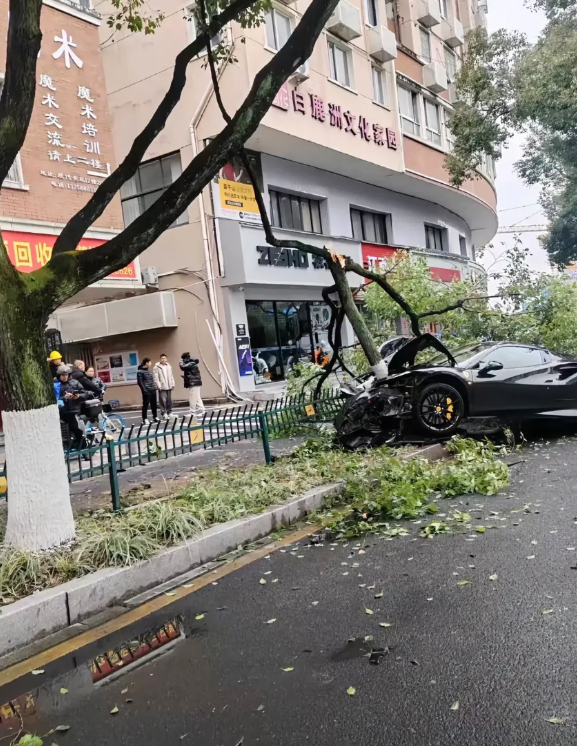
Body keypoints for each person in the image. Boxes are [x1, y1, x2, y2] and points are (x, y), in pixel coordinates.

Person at [56, 365, 90, 450]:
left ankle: (83, 444)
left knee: (75, 428)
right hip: (61, 411)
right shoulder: (56, 385)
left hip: (73, 410)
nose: (64, 377)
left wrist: (77, 396)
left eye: (66, 375)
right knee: (63, 430)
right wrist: (64, 398)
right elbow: (54, 398)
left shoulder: (75, 382)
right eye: (62, 375)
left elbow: (85, 394)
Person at [180, 352, 205, 416]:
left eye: (183, 359)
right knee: (197, 397)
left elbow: (183, 367)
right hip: (195, 382)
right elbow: (191, 373)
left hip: (193, 383)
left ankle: (192, 412)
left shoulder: (191, 363)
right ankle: (202, 410)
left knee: (192, 398)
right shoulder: (192, 363)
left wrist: (180, 362)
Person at [153, 354, 175, 419]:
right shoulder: (156, 367)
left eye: (165, 358)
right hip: (162, 386)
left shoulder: (168, 366)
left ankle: (169, 412)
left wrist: (173, 384)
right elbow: (155, 378)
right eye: (162, 358)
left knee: (169, 400)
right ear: (160, 359)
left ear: (166, 359)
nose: (163, 359)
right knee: (162, 400)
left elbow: (171, 376)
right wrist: (159, 385)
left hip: (169, 385)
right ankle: (164, 412)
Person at [137, 357, 158, 425]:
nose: (151, 363)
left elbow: (152, 380)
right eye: (150, 362)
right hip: (146, 390)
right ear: (146, 363)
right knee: (145, 405)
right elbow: (140, 382)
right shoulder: (139, 372)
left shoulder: (149, 371)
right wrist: (144, 390)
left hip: (152, 389)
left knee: (154, 404)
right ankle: (145, 418)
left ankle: (155, 416)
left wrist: (155, 387)